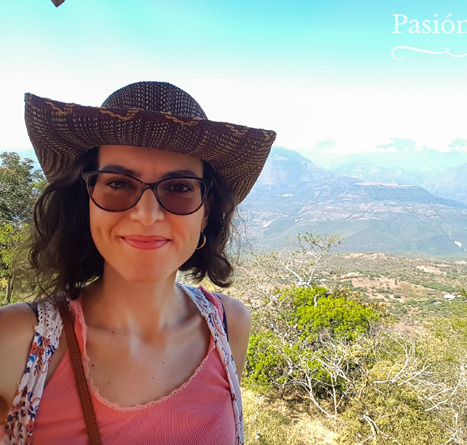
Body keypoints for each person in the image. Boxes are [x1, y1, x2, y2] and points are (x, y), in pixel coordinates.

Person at [0, 81, 276, 444]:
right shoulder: (17, 343)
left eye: (179, 188)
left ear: (207, 212)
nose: (147, 214)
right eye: (117, 184)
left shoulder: (229, 326)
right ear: (86, 202)